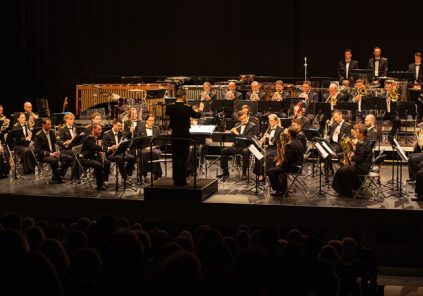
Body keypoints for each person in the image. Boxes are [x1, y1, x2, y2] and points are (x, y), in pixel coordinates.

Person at [166, 89, 204, 186]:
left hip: (174, 136)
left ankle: (175, 179)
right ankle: (182, 180)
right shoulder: (187, 108)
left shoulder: (169, 107)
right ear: (183, 96)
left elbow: (167, 117)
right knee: (183, 158)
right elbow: (196, 115)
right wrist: (201, 109)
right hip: (184, 136)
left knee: (175, 157)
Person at [332, 123, 373, 197]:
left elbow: (358, 159)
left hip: (362, 168)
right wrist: (354, 146)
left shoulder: (362, 144)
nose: (354, 132)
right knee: (344, 169)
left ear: (360, 132)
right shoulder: (365, 140)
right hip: (364, 166)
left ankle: (344, 192)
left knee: (341, 170)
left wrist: (351, 155)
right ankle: (352, 188)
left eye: (355, 131)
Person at [217, 110, 259, 179]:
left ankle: (244, 173)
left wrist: (237, 133)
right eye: (242, 119)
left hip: (248, 146)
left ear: (247, 116)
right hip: (238, 146)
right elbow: (233, 137)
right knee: (223, 151)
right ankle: (225, 173)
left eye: (245, 118)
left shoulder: (252, 126)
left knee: (245, 151)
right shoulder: (237, 125)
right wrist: (230, 133)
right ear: (239, 119)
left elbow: (248, 138)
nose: (244, 120)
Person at [267, 127, 304, 197]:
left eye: (287, 131)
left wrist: (280, 163)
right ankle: (283, 189)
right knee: (277, 169)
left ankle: (280, 190)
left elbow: (287, 162)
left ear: (289, 134)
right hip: (299, 165)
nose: (285, 130)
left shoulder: (290, 145)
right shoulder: (298, 141)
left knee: (270, 171)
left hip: (294, 167)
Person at [34, 118, 72, 183]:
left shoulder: (51, 132)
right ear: (43, 125)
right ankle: (56, 178)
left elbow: (56, 141)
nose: (50, 126)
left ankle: (58, 174)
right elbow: (38, 150)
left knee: (69, 158)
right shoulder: (38, 135)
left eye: (51, 124)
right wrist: (50, 154)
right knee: (54, 160)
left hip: (53, 153)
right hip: (42, 156)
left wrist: (64, 143)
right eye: (48, 124)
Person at [103, 118, 135, 183]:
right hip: (111, 155)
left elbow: (125, 144)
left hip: (120, 153)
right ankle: (125, 177)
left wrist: (126, 147)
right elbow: (105, 147)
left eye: (121, 126)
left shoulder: (121, 133)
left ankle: (127, 175)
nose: (120, 127)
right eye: (118, 125)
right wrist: (112, 147)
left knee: (132, 158)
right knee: (119, 158)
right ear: (113, 125)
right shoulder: (107, 134)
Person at [80, 123, 111, 191]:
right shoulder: (89, 138)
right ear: (93, 129)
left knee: (107, 162)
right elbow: (95, 147)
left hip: (92, 157)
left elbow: (95, 149)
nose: (101, 131)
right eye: (99, 129)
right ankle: (99, 184)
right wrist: (108, 148)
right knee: (98, 165)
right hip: (85, 159)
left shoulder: (96, 137)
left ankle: (104, 181)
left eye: (101, 129)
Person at [256, 114, 284, 181]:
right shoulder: (268, 129)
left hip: (276, 149)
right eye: (269, 121)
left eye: (272, 121)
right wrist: (262, 140)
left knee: (266, 156)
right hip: (269, 148)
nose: (270, 122)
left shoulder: (281, 130)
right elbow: (266, 139)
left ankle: (268, 175)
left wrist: (270, 137)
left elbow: (279, 142)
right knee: (258, 155)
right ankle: (260, 174)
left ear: (276, 121)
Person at [324, 110, 352, 175]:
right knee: (323, 151)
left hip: (340, 145)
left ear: (340, 116)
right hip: (332, 144)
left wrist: (340, 133)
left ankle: (329, 170)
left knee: (328, 152)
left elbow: (348, 138)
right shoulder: (334, 125)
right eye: (334, 118)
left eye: (336, 117)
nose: (335, 119)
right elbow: (329, 134)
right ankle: (328, 169)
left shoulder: (347, 126)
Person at [137, 114, 162, 180]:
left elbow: (159, 141)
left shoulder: (157, 128)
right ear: (146, 121)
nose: (152, 122)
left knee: (155, 153)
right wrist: (145, 147)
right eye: (150, 120)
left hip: (154, 148)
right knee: (145, 153)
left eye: (153, 120)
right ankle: (143, 174)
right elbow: (138, 141)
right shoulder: (140, 129)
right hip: (144, 148)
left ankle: (155, 173)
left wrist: (153, 147)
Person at [57, 113, 80, 180]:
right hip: (63, 149)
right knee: (75, 155)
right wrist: (65, 143)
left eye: (73, 119)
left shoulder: (74, 128)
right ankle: (75, 176)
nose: (73, 120)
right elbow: (58, 141)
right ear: (66, 120)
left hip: (72, 148)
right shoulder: (62, 129)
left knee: (72, 157)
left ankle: (61, 173)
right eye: (71, 119)